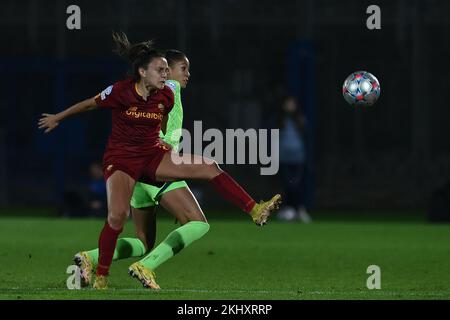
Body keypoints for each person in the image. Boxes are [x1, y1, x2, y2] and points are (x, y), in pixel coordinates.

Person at [38, 31, 281, 289]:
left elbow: (162, 118)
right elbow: (89, 104)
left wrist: (161, 139)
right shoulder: (127, 91)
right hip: (123, 162)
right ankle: (105, 276)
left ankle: (254, 209)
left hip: (153, 159)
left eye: (168, 70)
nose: (171, 75)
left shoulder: (165, 94)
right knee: (124, 218)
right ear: (143, 72)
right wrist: (58, 117)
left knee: (147, 237)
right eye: (170, 69)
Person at [74, 49, 208, 289]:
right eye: (182, 69)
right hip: (157, 168)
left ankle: (91, 257)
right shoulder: (170, 90)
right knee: (198, 223)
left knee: (143, 242)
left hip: (139, 173)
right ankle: (146, 267)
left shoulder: (157, 94)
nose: (186, 74)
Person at [277, 95, 311, 223]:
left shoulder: (300, 120)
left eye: (292, 103)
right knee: (288, 184)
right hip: (283, 158)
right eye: (288, 103)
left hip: (298, 158)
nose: (290, 106)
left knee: (296, 184)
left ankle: (299, 209)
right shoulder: (278, 120)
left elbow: (306, 139)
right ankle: (289, 209)